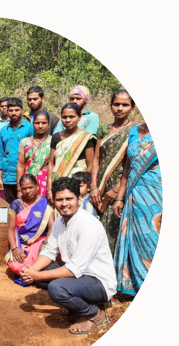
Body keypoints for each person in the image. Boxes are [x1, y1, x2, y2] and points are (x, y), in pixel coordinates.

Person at [20, 177, 117, 335]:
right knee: (42, 274)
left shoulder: (88, 225)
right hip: (79, 275)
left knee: (56, 288)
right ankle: (75, 302)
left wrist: (37, 275)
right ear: (54, 201)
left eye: (69, 198)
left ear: (79, 199)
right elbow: (49, 251)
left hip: (98, 281)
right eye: (59, 199)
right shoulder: (60, 220)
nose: (64, 203)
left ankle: (93, 312)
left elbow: (74, 269)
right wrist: (32, 270)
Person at [113, 123, 161, 296]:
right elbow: (127, 168)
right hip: (134, 192)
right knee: (132, 235)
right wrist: (119, 197)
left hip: (156, 193)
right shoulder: (134, 131)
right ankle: (131, 284)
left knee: (152, 236)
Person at [90, 89, 137, 252]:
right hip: (100, 187)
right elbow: (96, 159)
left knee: (115, 228)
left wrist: (117, 189)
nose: (120, 108)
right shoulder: (103, 130)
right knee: (98, 228)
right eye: (116, 104)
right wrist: (94, 186)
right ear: (111, 106)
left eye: (125, 105)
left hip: (122, 187)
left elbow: (134, 164)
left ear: (133, 107)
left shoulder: (136, 132)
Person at [47, 103, 96, 205]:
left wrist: (87, 187)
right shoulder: (56, 137)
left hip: (77, 185)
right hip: (58, 183)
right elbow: (51, 163)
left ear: (79, 117)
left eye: (71, 117)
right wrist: (49, 189)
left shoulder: (86, 138)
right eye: (64, 117)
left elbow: (91, 165)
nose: (68, 120)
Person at [6, 174, 53, 276]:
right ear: (20, 190)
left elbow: (51, 228)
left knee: (39, 261)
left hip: (40, 241)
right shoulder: (15, 204)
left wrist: (45, 243)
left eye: (31, 187)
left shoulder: (46, 202)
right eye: (24, 188)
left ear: (37, 186)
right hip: (21, 243)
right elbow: (10, 229)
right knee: (15, 266)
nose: (28, 191)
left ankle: (35, 275)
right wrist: (14, 248)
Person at [0, 97, 34, 203]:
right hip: (7, 176)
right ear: (7, 111)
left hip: (24, 176)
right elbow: (0, 154)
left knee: (25, 205)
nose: (14, 113)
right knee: (10, 207)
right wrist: (0, 178)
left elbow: (33, 152)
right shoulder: (4, 130)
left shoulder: (29, 128)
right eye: (11, 110)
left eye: (16, 110)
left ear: (22, 110)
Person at [17, 110, 52, 197]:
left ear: (49, 124)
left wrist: (50, 189)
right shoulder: (25, 142)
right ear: (33, 124)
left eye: (44, 123)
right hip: (27, 184)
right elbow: (20, 166)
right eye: (37, 123)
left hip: (46, 183)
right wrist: (19, 189)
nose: (40, 126)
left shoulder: (53, 141)